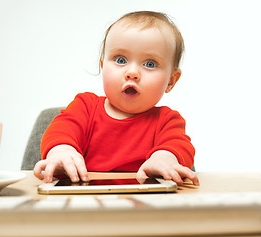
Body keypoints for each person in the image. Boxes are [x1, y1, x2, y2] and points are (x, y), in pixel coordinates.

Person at [33, 11, 199, 186]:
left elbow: (180, 146)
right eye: (120, 60)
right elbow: (61, 130)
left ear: (170, 81)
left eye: (149, 64)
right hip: (84, 202)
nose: (132, 73)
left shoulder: (167, 120)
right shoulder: (85, 106)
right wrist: (62, 150)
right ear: (103, 67)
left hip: (146, 205)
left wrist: (165, 158)